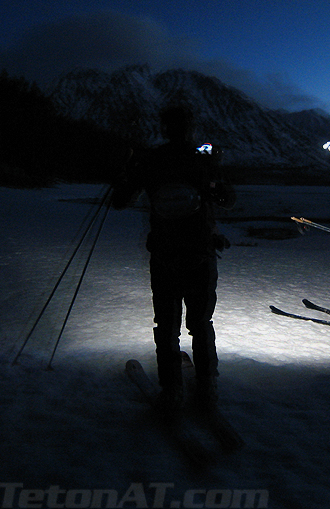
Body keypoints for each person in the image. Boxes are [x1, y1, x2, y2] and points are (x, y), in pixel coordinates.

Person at [112, 105, 235, 421]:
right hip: (199, 256)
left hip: (164, 256)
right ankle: (207, 391)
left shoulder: (150, 161)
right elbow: (227, 198)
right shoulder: (201, 162)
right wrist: (215, 171)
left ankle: (172, 392)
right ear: (191, 128)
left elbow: (119, 200)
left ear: (165, 128)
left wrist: (126, 167)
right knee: (200, 325)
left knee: (166, 327)